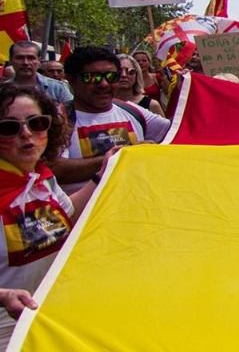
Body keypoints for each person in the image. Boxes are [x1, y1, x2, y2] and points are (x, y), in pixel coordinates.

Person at [0, 86, 101, 345]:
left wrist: (103, 174)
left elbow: (68, 216)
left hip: (48, 318)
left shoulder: (43, 180)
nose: (27, 135)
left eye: (37, 123)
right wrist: (3, 295)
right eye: (9, 128)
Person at [49, 47, 171, 193]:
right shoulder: (56, 118)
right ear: (71, 80)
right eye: (92, 77)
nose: (104, 84)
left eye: (111, 76)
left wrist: (188, 88)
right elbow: (53, 169)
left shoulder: (133, 111)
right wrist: (121, 157)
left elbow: (179, 134)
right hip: (85, 214)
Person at [7, 42, 73, 106]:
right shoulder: (3, 89)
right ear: (10, 60)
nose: (26, 63)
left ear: (39, 61)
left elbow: (71, 114)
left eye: (31, 58)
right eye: (20, 58)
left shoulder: (57, 88)